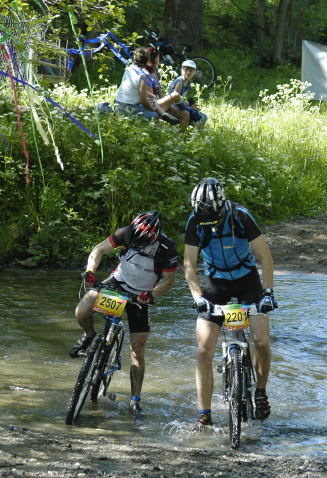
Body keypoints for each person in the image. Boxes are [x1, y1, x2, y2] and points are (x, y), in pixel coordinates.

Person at [183, 178, 278, 426]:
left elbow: (264, 257)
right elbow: (189, 267)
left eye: (209, 214)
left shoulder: (240, 216)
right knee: (203, 350)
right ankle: (204, 414)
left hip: (247, 280)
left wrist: (268, 292)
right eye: (201, 213)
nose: (206, 219)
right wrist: (198, 298)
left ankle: (260, 391)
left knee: (261, 340)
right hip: (216, 283)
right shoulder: (195, 223)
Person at [69, 211, 178, 413]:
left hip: (141, 295)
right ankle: (89, 335)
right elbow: (99, 249)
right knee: (82, 311)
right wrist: (91, 271)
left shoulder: (167, 248)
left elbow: (169, 281)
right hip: (117, 283)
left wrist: (151, 294)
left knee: (137, 347)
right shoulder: (126, 232)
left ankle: (135, 399)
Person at [115, 47, 181, 123]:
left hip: (118, 104)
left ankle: (164, 116)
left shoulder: (129, 68)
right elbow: (144, 100)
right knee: (155, 115)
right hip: (130, 108)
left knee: (156, 109)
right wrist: (153, 109)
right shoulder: (144, 75)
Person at [168, 60, 207, 130]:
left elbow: (180, 98)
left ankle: (194, 135)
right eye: (186, 69)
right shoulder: (180, 82)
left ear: (195, 72)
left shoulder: (187, 83)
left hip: (179, 105)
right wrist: (188, 108)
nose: (188, 72)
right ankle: (186, 136)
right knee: (200, 118)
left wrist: (188, 104)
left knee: (204, 116)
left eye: (191, 71)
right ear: (182, 69)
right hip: (171, 106)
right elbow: (174, 98)